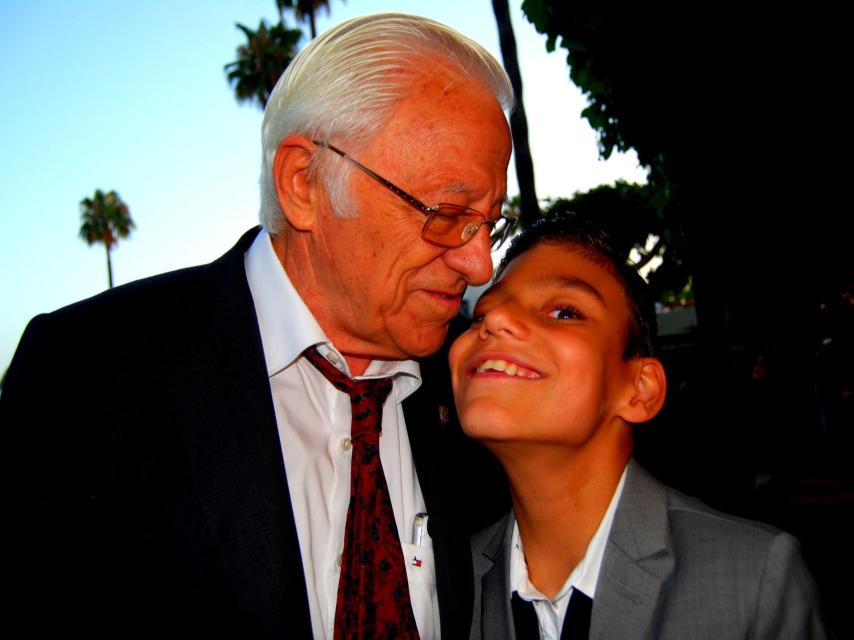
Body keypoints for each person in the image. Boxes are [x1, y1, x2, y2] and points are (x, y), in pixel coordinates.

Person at [2, 14, 511, 639]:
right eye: (447, 213)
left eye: (489, 222)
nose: (478, 262)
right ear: (304, 184)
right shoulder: (86, 375)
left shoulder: (479, 394)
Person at [450, 214, 827, 639]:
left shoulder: (753, 580)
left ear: (640, 389)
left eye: (564, 311)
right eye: (482, 313)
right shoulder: (447, 581)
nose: (495, 322)